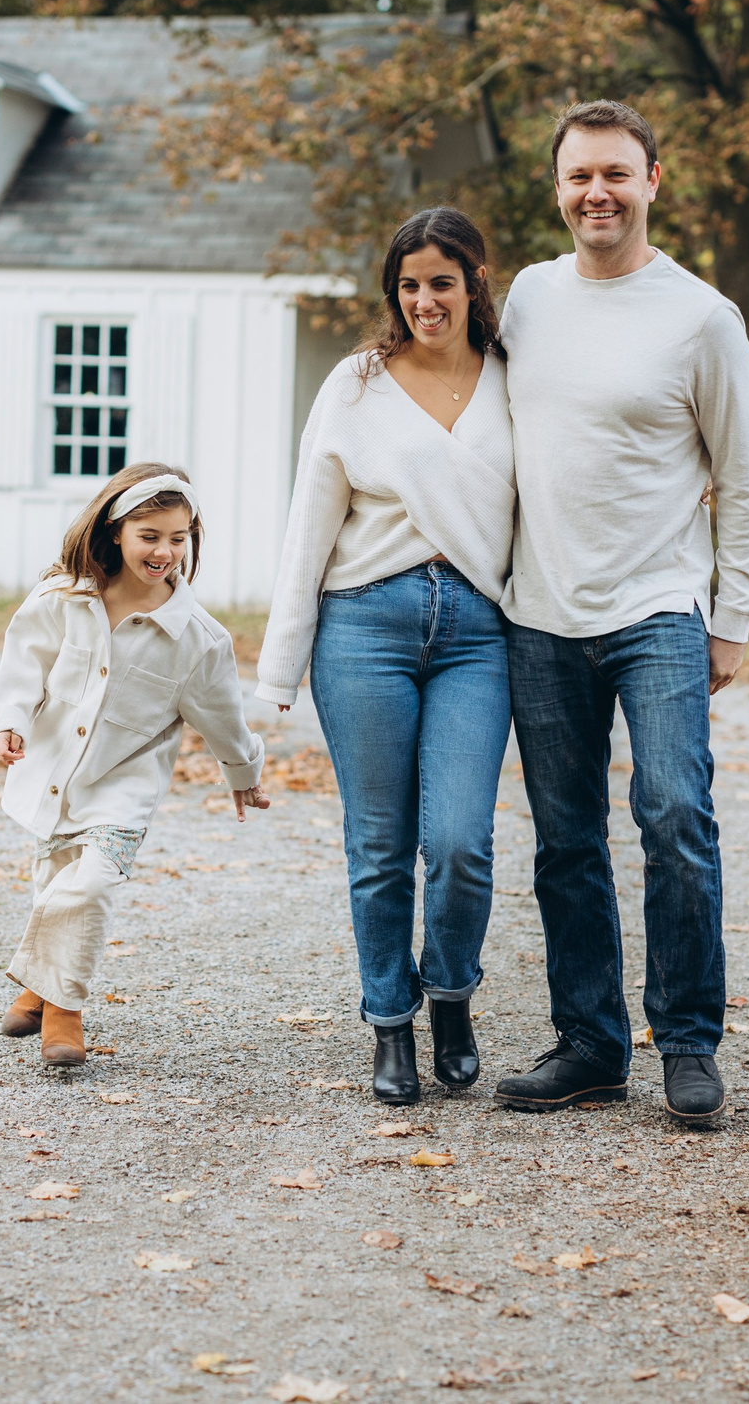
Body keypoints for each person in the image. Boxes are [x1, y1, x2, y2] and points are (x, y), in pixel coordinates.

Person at [489, 99, 749, 1128]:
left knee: (674, 817)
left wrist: (729, 619)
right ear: (556, 187)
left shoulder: (701, 317)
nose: (595, 193)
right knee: (564, 839)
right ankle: (592, 1044)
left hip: (657, 608)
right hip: (540, 611)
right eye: (578, 177)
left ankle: (688, 1045)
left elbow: (745, 480)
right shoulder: (525, 299)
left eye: (615, 173)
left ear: (654, 180)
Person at [258, 207, 518, 1105]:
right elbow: (310, 524)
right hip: (364, 624)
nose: (424, 301)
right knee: (379, 844)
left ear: (475, 282)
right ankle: (390, 1024)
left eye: (441, 281)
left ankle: (450, 995)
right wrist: (277, 671)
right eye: (408, 286)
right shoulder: (358, 383)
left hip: (478, 633)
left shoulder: (515, 381)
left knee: (458, 841)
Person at [0, 463, 271, 1066]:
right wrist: (9, 720)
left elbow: (222, 715)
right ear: (116, 531)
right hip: (55, 774)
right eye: (150, 535)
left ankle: (63, 1009)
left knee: (88, 886)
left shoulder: (196, 638)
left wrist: (243, 773)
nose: (165, 550)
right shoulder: (64, 597)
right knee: (55, 885)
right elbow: (23, 663)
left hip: (124, 786)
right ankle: (38, 988)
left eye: (178, 537)